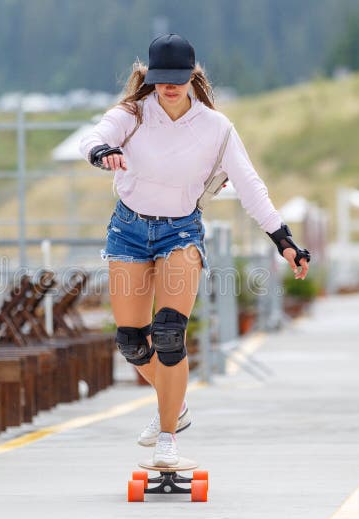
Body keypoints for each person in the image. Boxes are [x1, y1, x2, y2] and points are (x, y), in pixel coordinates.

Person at [79, 33, 310, 466]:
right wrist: (101, 151)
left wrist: (284, 240)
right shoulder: (132, 114)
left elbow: (250, 186)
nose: (170, 86)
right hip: (128, 231)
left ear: (192, 76)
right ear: (149, 76)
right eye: (161, 78)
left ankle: (168, 438)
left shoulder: (216, 129)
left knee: (169, 334)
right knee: (131, 341)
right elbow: (94, 136)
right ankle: (176, 405)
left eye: (178, 78)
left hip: (180, 233)